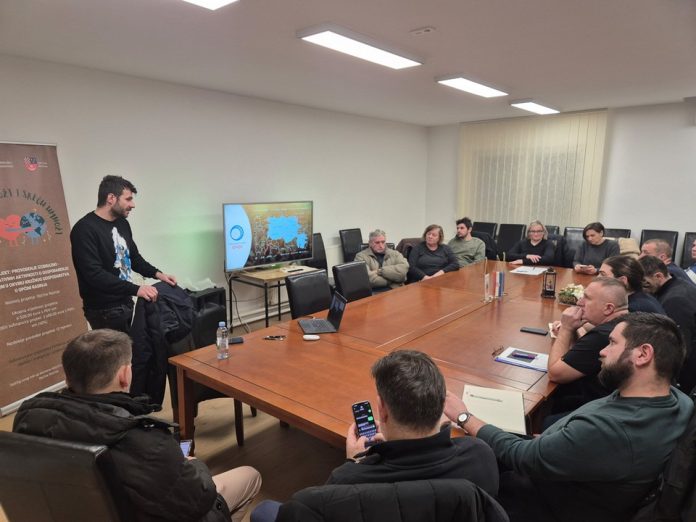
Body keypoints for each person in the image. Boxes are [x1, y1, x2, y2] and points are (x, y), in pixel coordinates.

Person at [445, 312, 694, 522]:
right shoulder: (678, 400)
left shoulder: (609, 430)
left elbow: (522, 457)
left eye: (612, 343)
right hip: (581, 477)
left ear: (643, 354)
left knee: (458, 461)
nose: (602, 351)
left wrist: (464, 416)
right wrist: (561, 442)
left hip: (545, 502)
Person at [13, 329, 261, 522]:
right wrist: (194, 465)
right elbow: (198, 499)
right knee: (250, 476)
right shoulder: (145, 441)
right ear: (124, 375)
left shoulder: (29, 416)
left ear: (68, 376)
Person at [251, 350, 498, 522]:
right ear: (442, 405)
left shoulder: (346, 479)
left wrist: (354, 461)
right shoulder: (480, 455)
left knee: (263, 510)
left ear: (382, 410)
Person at [71, 175, 177, 333]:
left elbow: (134, 258)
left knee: (132, 347)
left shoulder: (122, 223)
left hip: (125, 301)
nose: (133, 205)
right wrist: (137, 289)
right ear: (111, 198)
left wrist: (159, 274)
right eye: (128, 199)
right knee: (116, 350)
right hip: (104, 311)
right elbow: (94, 274)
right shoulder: (84, 229)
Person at [547, 277, 629, 412]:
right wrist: (573, 329)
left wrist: (566, 329)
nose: (579, 302)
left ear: (608, 308)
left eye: (587, 298)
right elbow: (584, 354)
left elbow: (555, 374)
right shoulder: (624, 323)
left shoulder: (603, 335)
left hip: (594, 411)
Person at [639, 255, 696, 393]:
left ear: (658, 276)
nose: (642, 287)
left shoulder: (675, 300)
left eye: (645, 282)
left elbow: (680, 344)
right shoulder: (678, 283)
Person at [599, 255, 665, 313]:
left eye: (603, 275)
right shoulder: (644, 298)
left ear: (622, 281)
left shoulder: (632, 309)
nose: (597, 278)